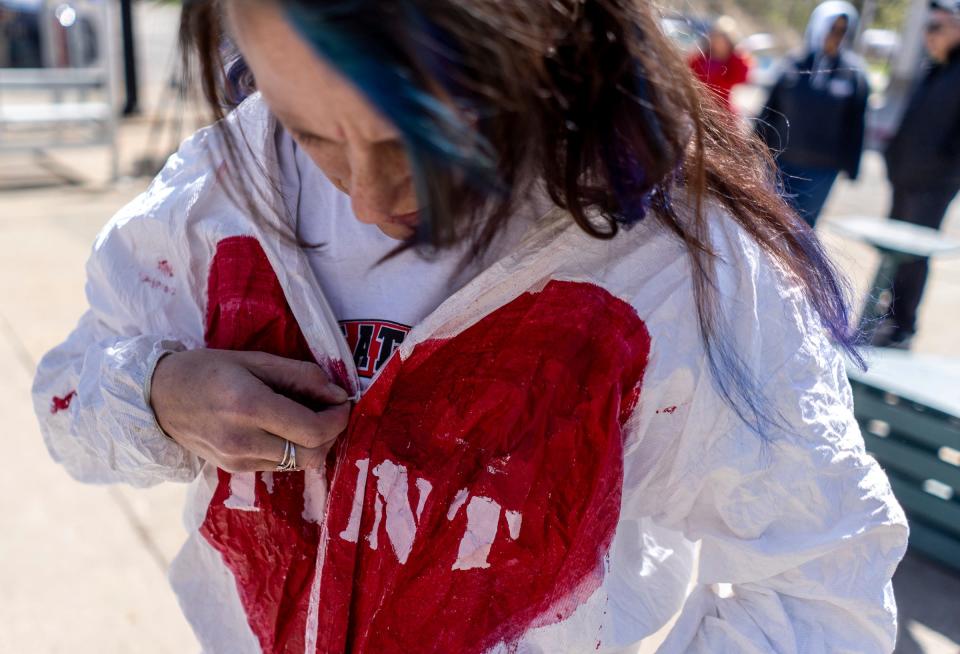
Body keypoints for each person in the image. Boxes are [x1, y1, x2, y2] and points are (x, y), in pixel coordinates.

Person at [33, 1, 907, 652]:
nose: (371, 206)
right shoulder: (218, 193)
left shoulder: (673, 260)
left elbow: (823, 586)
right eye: (312, 136)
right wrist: (157, 395)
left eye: (429, 141)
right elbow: (68, 399)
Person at [878, 0, 960, 349]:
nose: (928, 36)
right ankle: (888, 314)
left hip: (933, 185)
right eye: (927, 27)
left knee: (913, 254)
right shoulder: (934, 69)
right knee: (893, 251)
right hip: (905, 178)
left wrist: (941, 173)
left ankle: (903, 325)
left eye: (936, 28)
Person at [756, 1, 870, 228]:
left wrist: (853, 165)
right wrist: (754, 148)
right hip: (781, 161)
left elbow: (856, 123)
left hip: (821, 170)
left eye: (842, 31)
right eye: (832, 28)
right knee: (768, 223)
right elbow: (769, 110)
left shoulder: (853, 73)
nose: (835, 36)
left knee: (802, 230)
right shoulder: (793, 64)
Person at [688, 16, 752, 113]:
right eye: (715, 37)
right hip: (699, 108)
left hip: (723, 112)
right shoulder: (700, 58)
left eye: (722, 39)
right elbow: (688, 74)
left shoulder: (735, 60)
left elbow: (743, 77)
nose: (718, 42)